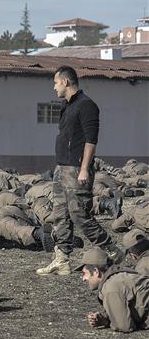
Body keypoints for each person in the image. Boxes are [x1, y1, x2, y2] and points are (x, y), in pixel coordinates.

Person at [37, 66, 122, 276]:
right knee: (60, 215)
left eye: (56, 83)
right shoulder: (66, 106)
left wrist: (84, 169)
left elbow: (91, 141)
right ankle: (62, 259)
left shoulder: (87, 106)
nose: (54, 87)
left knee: (79, 214)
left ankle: (112, 251)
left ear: (66, 82)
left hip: (77, 170)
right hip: (62, 168)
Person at [78, 247, 148, 333]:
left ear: (96, 271)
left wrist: (107, 322)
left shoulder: (111, 287)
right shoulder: (118, 277)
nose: (83, 279)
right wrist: (106, 317)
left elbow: (124, 326)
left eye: (84, 273)